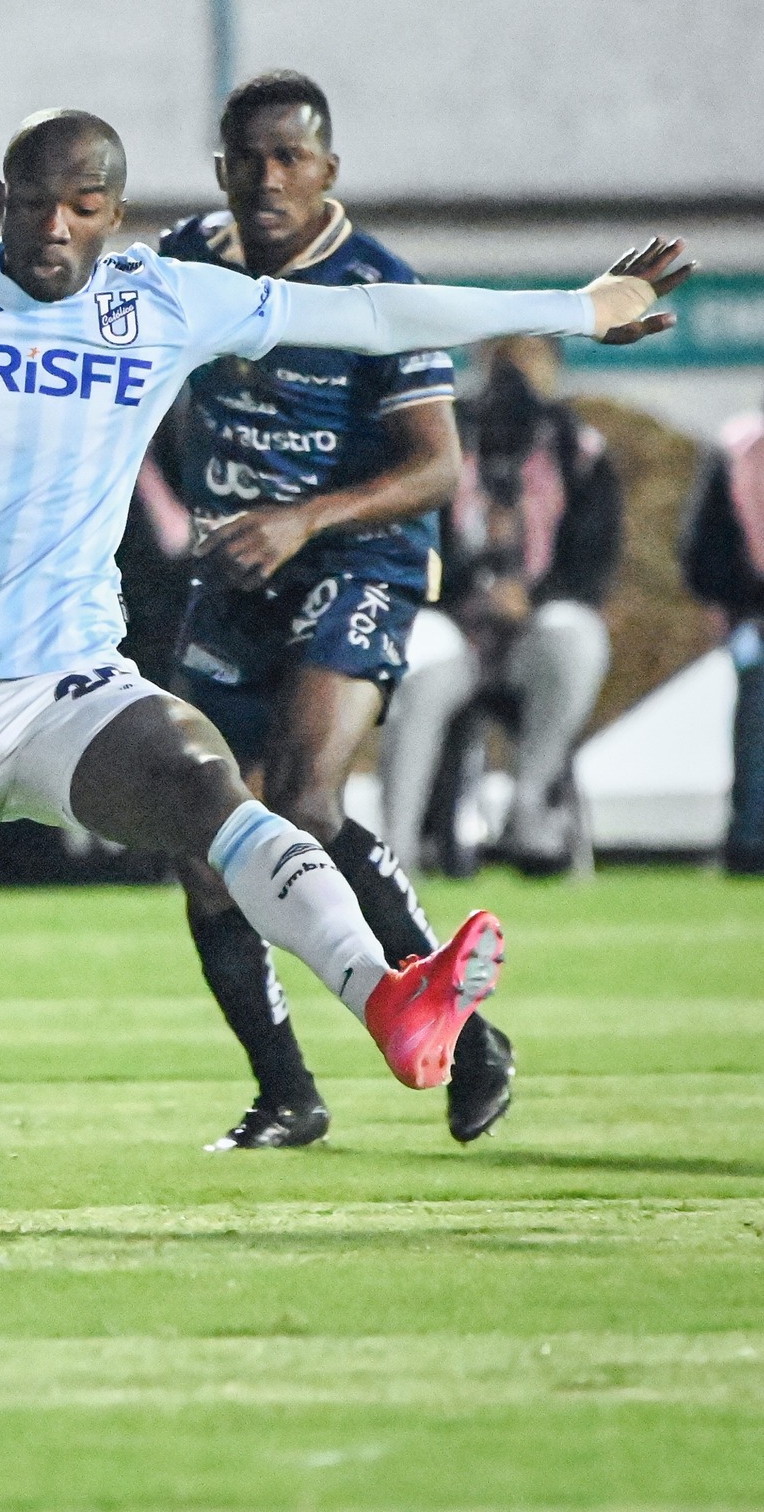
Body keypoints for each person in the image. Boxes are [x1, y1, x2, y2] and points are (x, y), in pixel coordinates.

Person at [0, 106, 687, 1218]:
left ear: (116, 214)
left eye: (85, 204)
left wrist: (580, 309)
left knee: (211, 788)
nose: (55, 225)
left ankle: (392, 997)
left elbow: (371, 312)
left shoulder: (159, 300)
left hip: (66, 683)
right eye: (34, 198)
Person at [156, 70, 515, 1151]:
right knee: (202, 829)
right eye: (249, 158)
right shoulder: (183, 261)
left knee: (304, 798)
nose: (269, 177)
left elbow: (438, 465)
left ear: (328, 170)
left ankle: (465, 1030)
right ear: (221, 169)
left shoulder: (375, 287)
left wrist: (304, 519)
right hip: (234, 571)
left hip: (357, 559)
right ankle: (286, 1092)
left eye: (291, 157)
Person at [381, 333, 622, 878]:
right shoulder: (443, 435)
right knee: (418, 659)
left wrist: (532, 597)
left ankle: (530, 807)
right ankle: (395, 845)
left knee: (575, 635)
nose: (514, 370)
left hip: (532, 629)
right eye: (503, 354)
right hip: (452, 620)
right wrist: (468, 588)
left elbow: (595, 556)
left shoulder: (577, 447)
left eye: (530, 355)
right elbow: (408, 534)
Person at [680, 394, 764, 875]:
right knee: (756, 701)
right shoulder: (735, 452)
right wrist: (739, 607)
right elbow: (704, 547)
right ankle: (750, 838)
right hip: (749, 618)